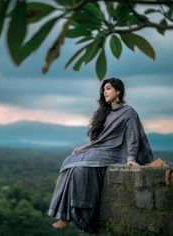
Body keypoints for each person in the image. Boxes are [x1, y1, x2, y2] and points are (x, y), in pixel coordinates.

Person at [47, 77, 154, 233]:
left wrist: (131, 158)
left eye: (108, 88)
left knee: (80, 169)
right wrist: (84, 147)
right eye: (103, 89)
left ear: (118, 91)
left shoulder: (128, 112)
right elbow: (100, 139)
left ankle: (77, 215)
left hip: (115, 152)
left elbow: (132, 136)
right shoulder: (105, 112)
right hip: (100, 148)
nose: (105, 92)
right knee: (69, 161)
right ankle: (64, 215)